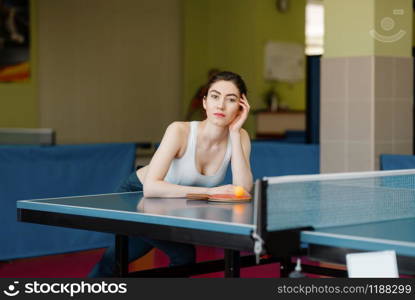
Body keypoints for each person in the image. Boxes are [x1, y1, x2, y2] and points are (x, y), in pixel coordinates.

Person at [89, 71, 253, 277]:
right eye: (214, 96)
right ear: (204, 102)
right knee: (182, 255)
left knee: (114, 261)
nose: (220, 105)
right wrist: (210, 192)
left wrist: (236, 132)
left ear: (241, 106)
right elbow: (151, 188)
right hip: (135, 196)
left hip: (170, 202)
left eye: (230, 100)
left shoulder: (240, 137)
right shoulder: (179, 131)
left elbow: (243, 189)